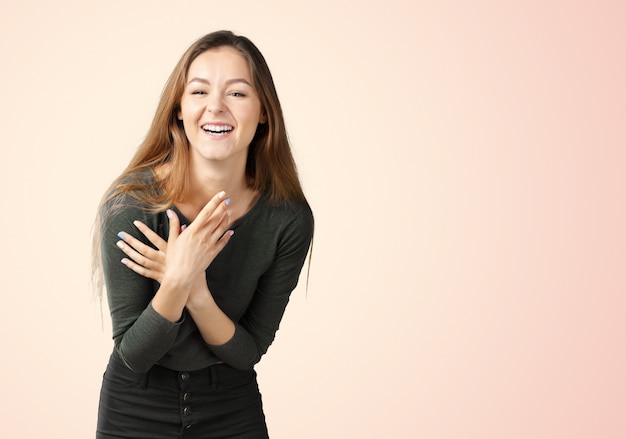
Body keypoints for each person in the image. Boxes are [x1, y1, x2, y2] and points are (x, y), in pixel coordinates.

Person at [92, 30, 314, 439]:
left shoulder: (288, 219)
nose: (215, 107)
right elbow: (134, 355)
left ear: (264, 112)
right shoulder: (129, 206)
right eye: (199, 91)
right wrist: (175, 283)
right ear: (179, 109)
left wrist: (194, 288)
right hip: (135, 405)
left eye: (237, 94)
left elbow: (247, 352)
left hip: (231, 403)